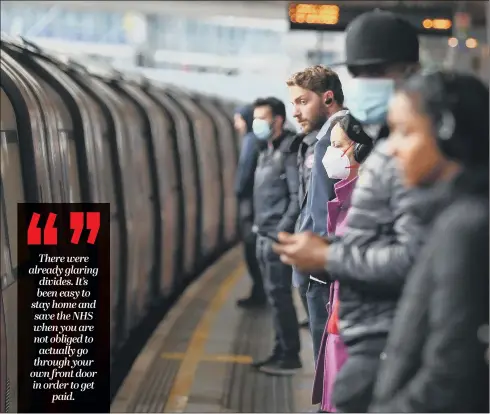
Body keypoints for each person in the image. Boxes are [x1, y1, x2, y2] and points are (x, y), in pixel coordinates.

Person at [273, 11, 424, 412]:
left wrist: (328, 256)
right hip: (363, 332)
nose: (367, 81)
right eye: (360, 72)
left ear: (413, 72)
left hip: (397, 343)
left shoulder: (426, 150)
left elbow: (417, 255)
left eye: (378, 71)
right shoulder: (379, 143)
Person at [368, 71, 489, 413]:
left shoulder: (465, 227)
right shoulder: (456, 215)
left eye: (405, 131)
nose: (391, 148)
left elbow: (450, 374)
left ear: (447, 133)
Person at [311, 114, 373, 413]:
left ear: (360, 150)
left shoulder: (366, 201)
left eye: (338, 146)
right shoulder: (346, 194)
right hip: (341, 322)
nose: (330, 155)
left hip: (354, 330)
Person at [286, 65, 348, 365]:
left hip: (321, 268)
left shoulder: (331, 140)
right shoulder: (326, 137)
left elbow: (326, 209)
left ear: (327, 98)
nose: (295, 112)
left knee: (325, 351)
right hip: (320, 265)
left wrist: (313, 263)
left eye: (302, 101)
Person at [251, 97, 301, 375]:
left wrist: (281, 231)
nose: (257, 123)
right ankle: (280, 349)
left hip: (274, 237)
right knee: (273, 297)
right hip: (263, 233)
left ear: (278, 120)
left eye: (262, 118)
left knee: (280, 296)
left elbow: (296, 197)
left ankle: (289, 354)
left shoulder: (288, 151)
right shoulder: (267, 149)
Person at [233, 105, 267, 308]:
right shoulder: (258, 140)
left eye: (238, 119)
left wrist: (238, 191)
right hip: (256, 204)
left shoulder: (250, 141)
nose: (235, 124)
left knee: (251, 249)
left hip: (251, 205)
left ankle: (259, 293)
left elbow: (244, 175)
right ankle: (259, 291)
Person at [288, 128, 320, 329]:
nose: (296, 112)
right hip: (306, 247)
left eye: (303, 101)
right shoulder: (303, 145)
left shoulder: (322, 145)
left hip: (316, 252)